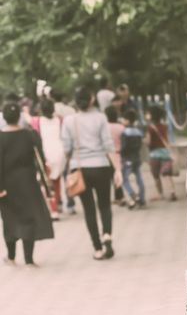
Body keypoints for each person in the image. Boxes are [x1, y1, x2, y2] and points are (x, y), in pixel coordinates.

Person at [61, 86, 122, 260]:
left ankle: (97, 248)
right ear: (92, 100)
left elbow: (66, 148)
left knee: (89, 209)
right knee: (104, 205)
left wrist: (68, 168)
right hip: (101, 166)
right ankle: (107, 236)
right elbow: (109, 146)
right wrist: (117, 169)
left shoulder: (69, 121)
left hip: (79, 169)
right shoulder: (101, 118)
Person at [0, 102, 54, 266]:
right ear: (19, 117)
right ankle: (29, 259)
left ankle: (11, 256)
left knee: (10, 219)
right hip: (28, 181)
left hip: (7, 183)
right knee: (28, 218)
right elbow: (41, 158)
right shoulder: (29, 134)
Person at [30, 99, 66, 221]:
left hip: (45, 153)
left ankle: (54, 209)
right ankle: (58, 202)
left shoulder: (37, 121)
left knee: (46, 183)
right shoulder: (60, 120)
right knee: (57, 181)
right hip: (60, 153)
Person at [145, 105, 177, 201]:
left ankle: (160, 194)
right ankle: (172, 192)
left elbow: (148, 142)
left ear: (151, 115)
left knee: (156, 176)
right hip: (165, 153)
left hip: (154, 154)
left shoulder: (150, 128)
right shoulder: (164, 126)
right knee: (167, 174)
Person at [120, 109, 146, 209]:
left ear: (127, 120)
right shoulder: (138, 132)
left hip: (128, 159)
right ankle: (142, 199)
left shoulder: (125, 133)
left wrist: (122, 155)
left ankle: (133, 195)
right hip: (137, 158)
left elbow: (124, 147)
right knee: (139, 179)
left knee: (125, 180)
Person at [104, 105, 126, 207]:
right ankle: (119, 197)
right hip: (118, 153)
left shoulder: (104, 127)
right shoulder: (121, 127)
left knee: (106, 178)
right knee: (117, 176)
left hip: (106, 155)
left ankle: (106, 198)